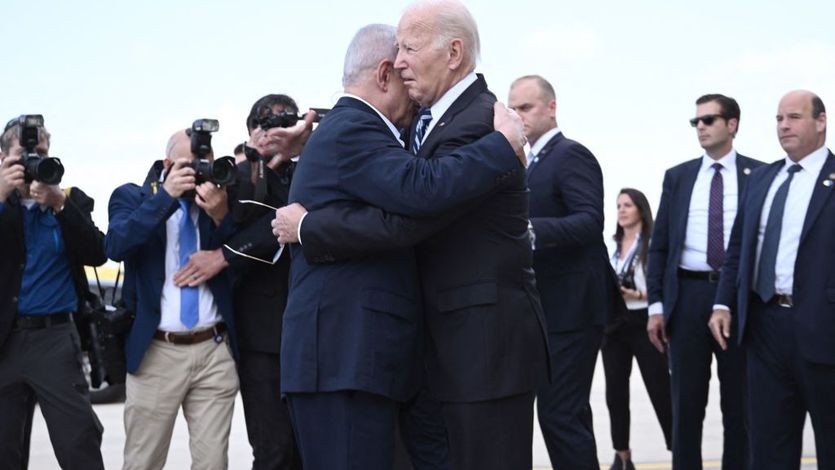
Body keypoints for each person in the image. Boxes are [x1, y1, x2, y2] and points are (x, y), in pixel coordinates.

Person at [274, 3, 550, 469]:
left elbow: (419, 206)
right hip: (366, 360)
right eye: (396, 51)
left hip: (480, 352)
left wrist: (308, 226)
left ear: (454, 53)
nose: (400, 61)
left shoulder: (480, 122)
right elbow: (414, 202)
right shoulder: (380, 129)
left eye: (410, 47)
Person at [710, 90, 834, 469]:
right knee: (768, 446)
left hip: (823, 329)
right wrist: (723, 302)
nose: (784, 126)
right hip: (763, 327)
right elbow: (737, 251)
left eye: (794, 117)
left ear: (821, 121)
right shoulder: (762, 179)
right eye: (779, 119)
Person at [106, 129, 239, 470]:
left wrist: (221, 214)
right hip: (157, 352)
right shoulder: (132, 196)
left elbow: (242, 254)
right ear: (167, 164)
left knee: (213, 464)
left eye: (203, 164)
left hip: (213, 350)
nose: (198, 172)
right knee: (143, 462)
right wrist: (165, 197)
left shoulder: (220, 199)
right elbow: (117, 246)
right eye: (188, 164)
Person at [507, 74, 621, 470]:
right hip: (548, 311)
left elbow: (590, 220)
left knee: (561, 415)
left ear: (551, 108)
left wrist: (528, 231)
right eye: (513, 109)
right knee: (561, 415)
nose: (518, 116)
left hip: (572, 309)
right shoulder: (527, 163)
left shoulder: (571, 154)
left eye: (526, 107)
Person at [646, 94, 764, 470]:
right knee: (686, 405)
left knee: (739, 404)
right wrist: (656, 306)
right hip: (687, 297)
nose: (700, 127)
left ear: (732, 125)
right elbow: (660, 246)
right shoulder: (678, 177)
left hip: (737, 299)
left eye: (709, 120)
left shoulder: (759, 176)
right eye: (696, 121)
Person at [0, 116, 106, 469]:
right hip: (5, 341)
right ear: (2, 157)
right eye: (23, 153)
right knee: (5, 449)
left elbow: (97, 252)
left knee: (78, 443)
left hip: (56, 339)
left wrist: (60, 204)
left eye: (40, 152)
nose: (32, 160)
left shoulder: (71, 200)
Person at [602, 188, 672, 470]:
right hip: (616, 325)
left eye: (627, 205)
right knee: (615, 392)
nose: (621, 211)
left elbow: (662, 285)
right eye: (618, 205)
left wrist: (639, 296)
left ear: (640, 209)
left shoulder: (653, 243)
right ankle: (622, 454)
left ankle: (677, 445)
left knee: (660, 388)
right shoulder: (613, 244)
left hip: (646, 321)